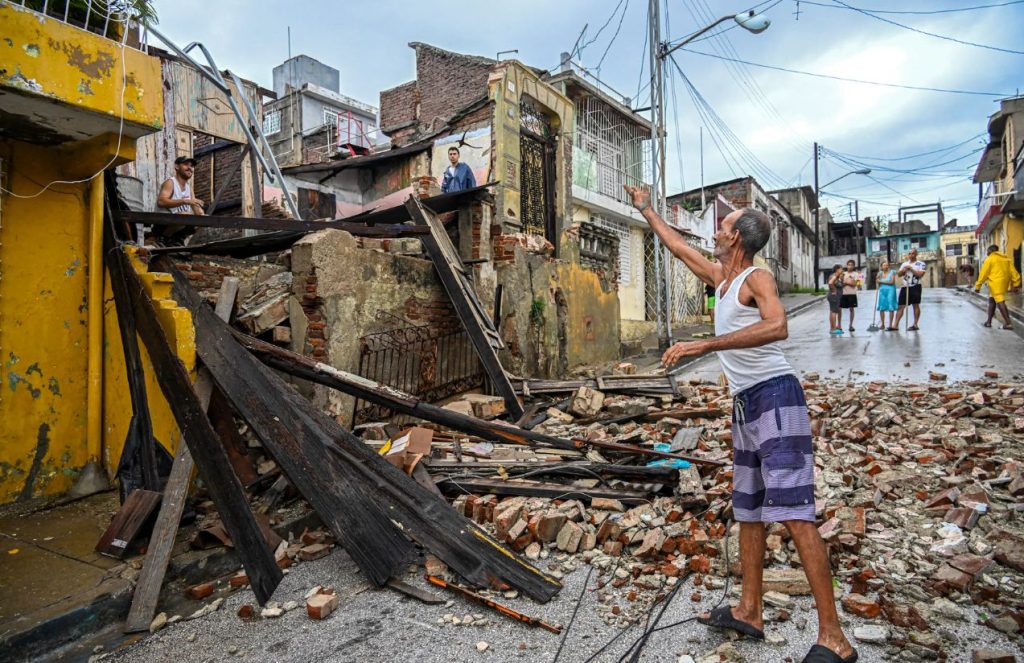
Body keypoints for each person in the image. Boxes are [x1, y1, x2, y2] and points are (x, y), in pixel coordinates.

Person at [624, 184, 857, 663]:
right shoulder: (722, 278)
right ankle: (750, 610)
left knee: (794, 511)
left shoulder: (757, 277)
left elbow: (778, 326)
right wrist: (646, 208)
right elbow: (676, 245)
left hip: (777, 397)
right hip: (747, 404)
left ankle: (834, 637)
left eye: (723, 227)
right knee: (749, 511)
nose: (715, 232)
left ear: (737, 240)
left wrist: (703, 346)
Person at [975, 244, 1021, 330]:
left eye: (987, 251)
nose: (987, 252)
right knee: (992, 300)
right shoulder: (1006, 259)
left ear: (991, 251)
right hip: (1004, 283)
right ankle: (988, 322)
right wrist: (1016, 283)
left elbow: (983, 274)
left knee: (1000, 301)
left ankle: (1008, 323)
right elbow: (1013, 272)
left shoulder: (989, 260)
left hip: (995, 284)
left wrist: (978, 286)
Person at [892, 248, 926, 331]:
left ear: (916, 254)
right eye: (910, 253)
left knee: (915, 304)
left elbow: (920, 275)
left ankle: (915, 324)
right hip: (905, 286)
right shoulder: (904, 264)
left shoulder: (921, 264)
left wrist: (911, 269)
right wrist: (904, 270)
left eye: (913, 253)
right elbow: (899, 274)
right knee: (900, 306)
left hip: (915, 286)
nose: (911, 255)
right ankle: (895, 325)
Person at [839, 259, 861, 331]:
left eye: (852, 265)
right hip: (843, 294)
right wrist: (848, 282)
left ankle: (851, 325)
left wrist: (848, 282)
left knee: (852, 309)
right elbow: (840, 285)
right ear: (847, 265)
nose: (850, 266)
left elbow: (857, 285)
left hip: (852, 294)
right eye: (849, 265)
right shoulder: (843, 274)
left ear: (854, 266)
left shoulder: (857, 274)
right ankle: (839, 325)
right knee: (839, 309)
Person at [876, 261, 898, 330]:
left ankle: (890, 325)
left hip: (891, 290)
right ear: (881, 266)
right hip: (882, 291)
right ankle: (882, 324)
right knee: (882, 307)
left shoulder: (892, 272)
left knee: (891, 306)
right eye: (884, 265)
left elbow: (892, 282)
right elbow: (877, 283)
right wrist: (877, 281)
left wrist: (881, 281)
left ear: (888, 266)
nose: (885, 266)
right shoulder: (880, 273)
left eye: (887, 265)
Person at [826, 264, 844, 336]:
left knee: (832, 311)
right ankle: (833, 329)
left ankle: (832, 328)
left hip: (834, 296)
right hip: (834, 296)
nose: (842, 270)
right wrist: (834, 290)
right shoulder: (835, 275)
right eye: (841, 269)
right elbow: (830, 283)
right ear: (837, 269)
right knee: (834, 312)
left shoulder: (836, 276)